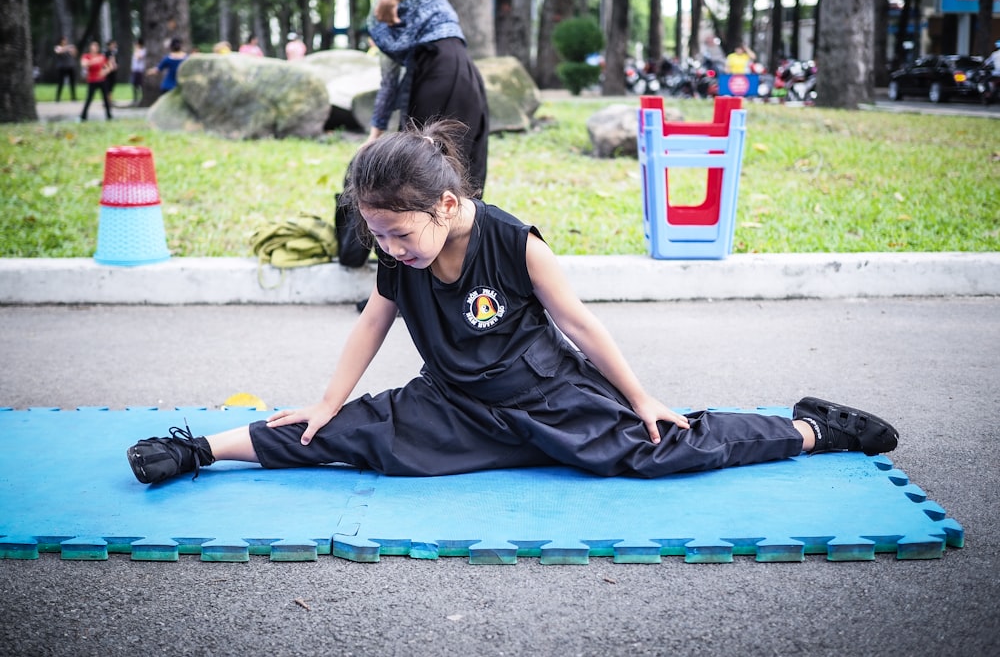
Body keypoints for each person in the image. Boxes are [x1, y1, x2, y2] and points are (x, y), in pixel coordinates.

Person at [126, 121, 899, 485]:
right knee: (348, 435)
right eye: (377, 236)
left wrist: (640, 397)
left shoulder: (511, 241)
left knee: (656, 450)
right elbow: (371, 325)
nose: (390, 250)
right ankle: (200, 449)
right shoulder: (403, 257)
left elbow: (580, 324)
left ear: (449, 204)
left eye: (398, 234)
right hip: (456, 405)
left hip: (550, 398)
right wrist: (327, 402)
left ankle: (810, 427)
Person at [329, 0, 490, 269]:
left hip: (443, 63)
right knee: (430, 179)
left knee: (429, 180)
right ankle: (427, 282)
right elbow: (388, 77)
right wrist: (373, 134)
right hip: (427, 71)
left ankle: (448, 281)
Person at [79, 41, 115, 121]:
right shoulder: (87, 56)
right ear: (90, 48)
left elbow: (110, 66)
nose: (94, 48)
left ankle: (109, 116)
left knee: (105, 99)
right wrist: (95, 61)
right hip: (92, 80)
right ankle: (83, 116)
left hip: (102, 80)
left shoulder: (101, 57)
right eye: (93, 46)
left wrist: (105, 72)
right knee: (89, 99)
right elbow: (84, 64)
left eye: (96, 47)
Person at [53, 37, 78, 102]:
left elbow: (74, 55)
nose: (65, 42)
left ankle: (73, 97)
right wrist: (67, 48)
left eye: (65, 40)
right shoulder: (58, 47)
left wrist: (73, 50)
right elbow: (58, 52)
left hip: (70, 67)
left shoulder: (70, 48)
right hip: (62, 68)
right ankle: (57, 98)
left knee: (72, 83)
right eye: (63, 40)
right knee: (60, 83)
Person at [130, 38, 146, 104]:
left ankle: (141, 98)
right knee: (133, 85)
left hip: (140, 70)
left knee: (141, 85)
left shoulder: (143, 51)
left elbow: (138, 57)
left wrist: (137, 50)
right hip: (135, 70)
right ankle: (135, 99)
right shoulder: (136, 51)